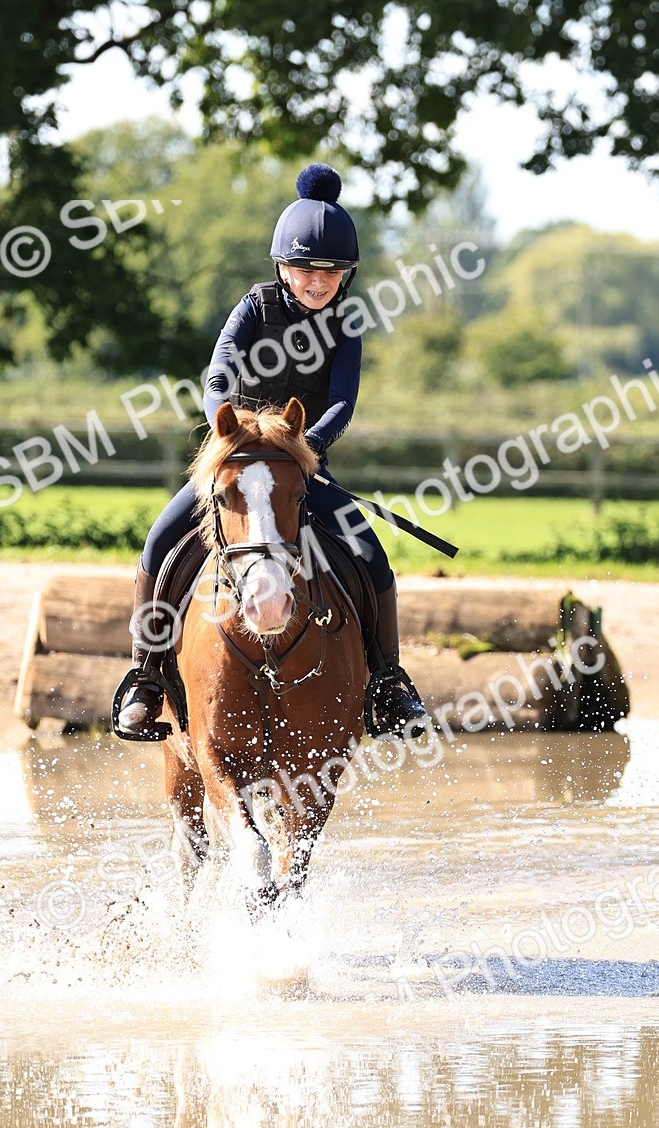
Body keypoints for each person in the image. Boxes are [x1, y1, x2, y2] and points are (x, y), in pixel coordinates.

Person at [117, 163, 429, 738]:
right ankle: (146, 677)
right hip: (235, 461)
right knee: (160, 540)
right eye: (307, 268)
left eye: (332, 272)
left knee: (373, 560)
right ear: (283, 267)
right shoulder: (254, 308)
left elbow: (341, 404)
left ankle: (388, 681)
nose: (318, 280)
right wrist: (228, 428)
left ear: (347, 276)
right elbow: (218, 375)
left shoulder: (346, 324)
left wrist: (299, 450)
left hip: (299, 466)